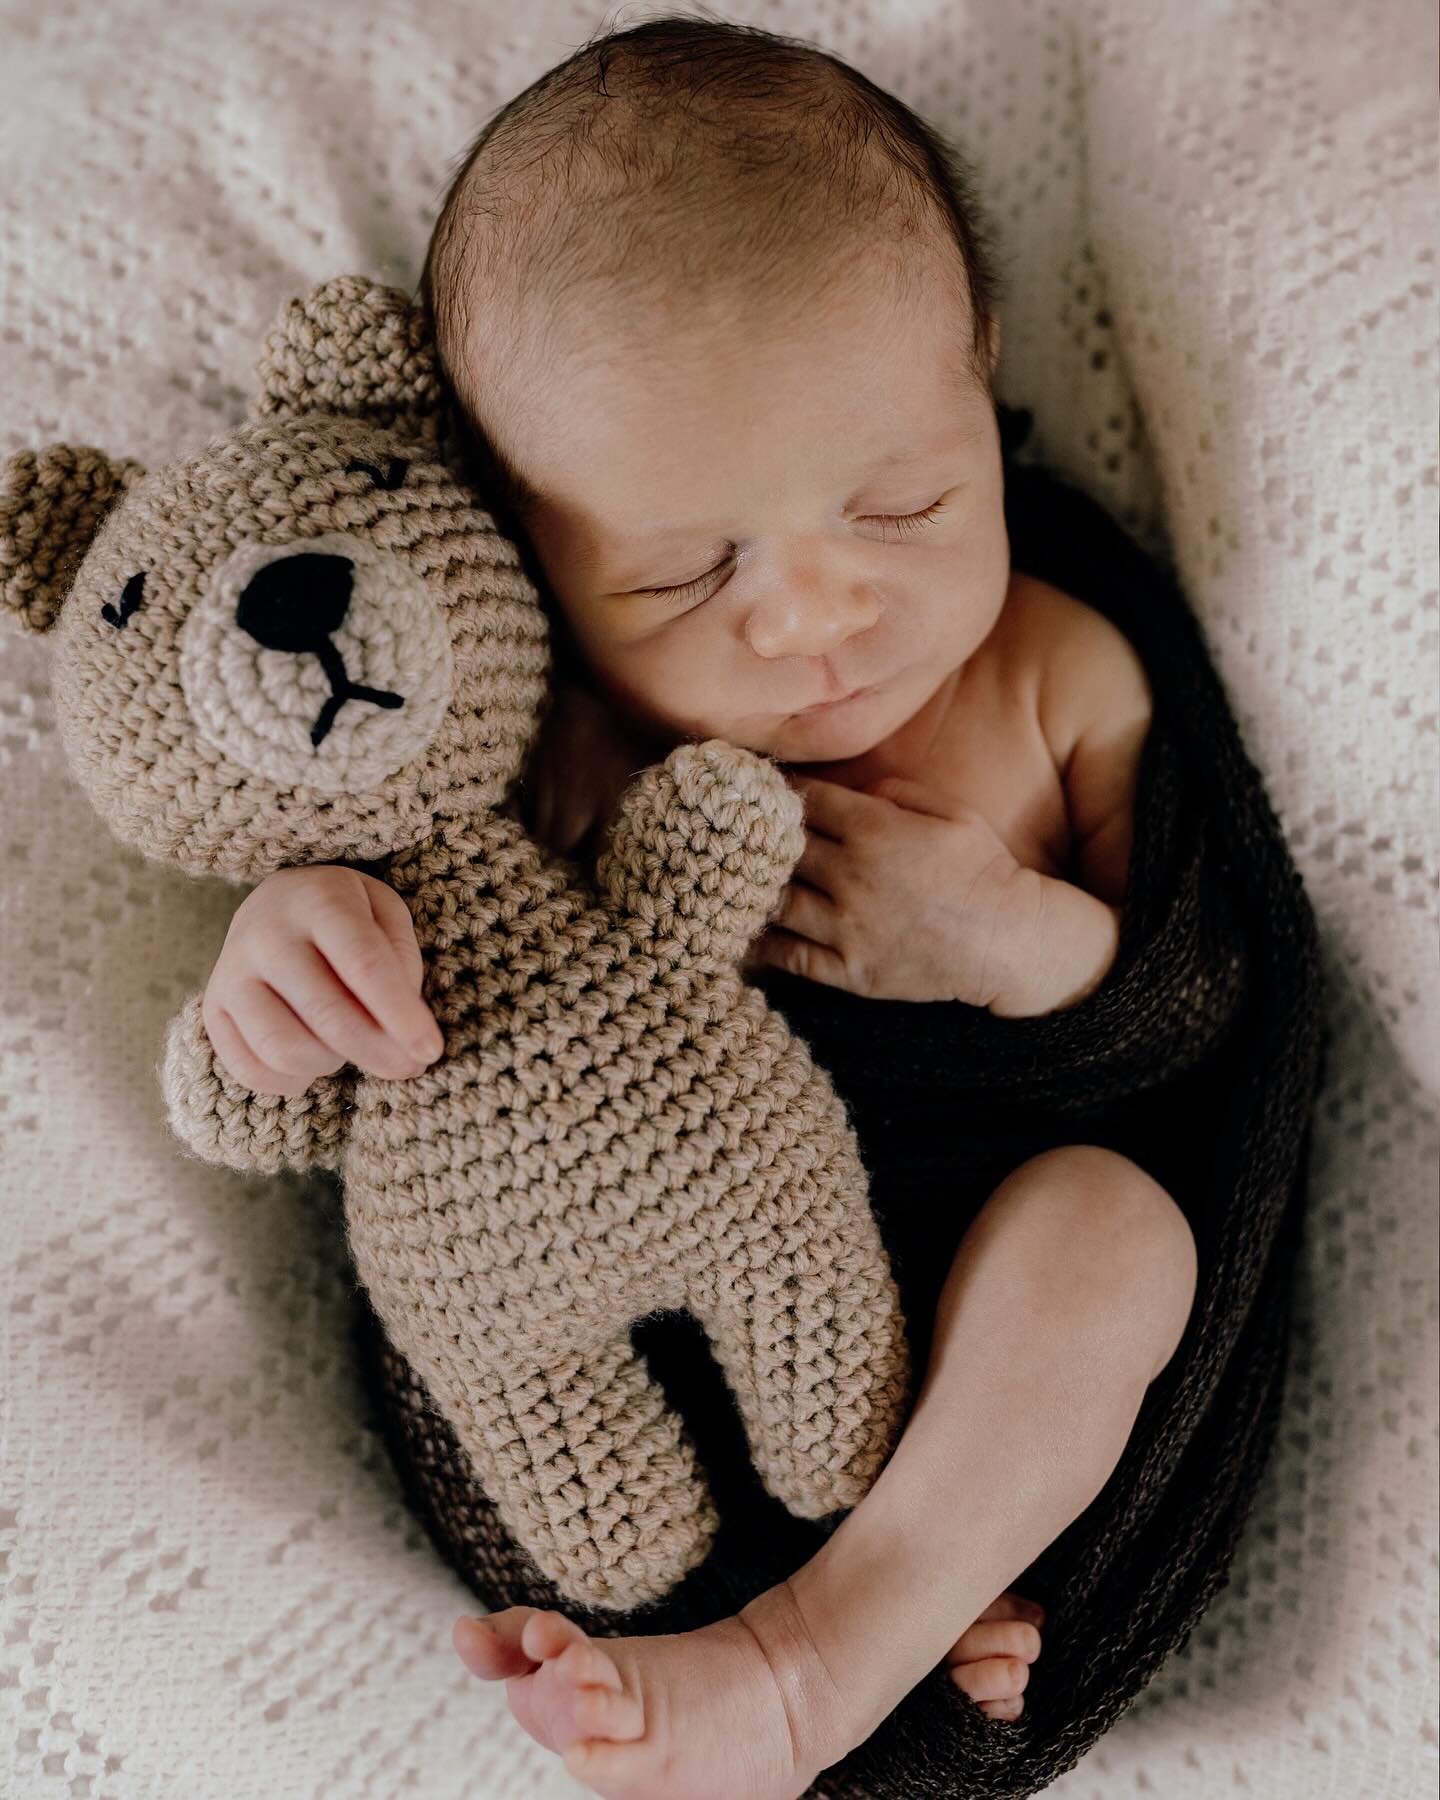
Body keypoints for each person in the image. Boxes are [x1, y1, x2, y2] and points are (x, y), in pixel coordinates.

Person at [201, 18, 1198, 1797]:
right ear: (521, 552)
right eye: (680, 571)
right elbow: (414, 1066)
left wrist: (1028, 945)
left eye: (903, 503)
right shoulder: (536, 747)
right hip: (648, 1401)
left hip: (987, 1314)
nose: (815, 618)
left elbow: (1214, 1018)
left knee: (1119, 1233)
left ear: (986, 385)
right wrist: (295, 960)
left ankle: (859, 1618)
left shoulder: (1065, 673)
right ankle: (805, 1605)